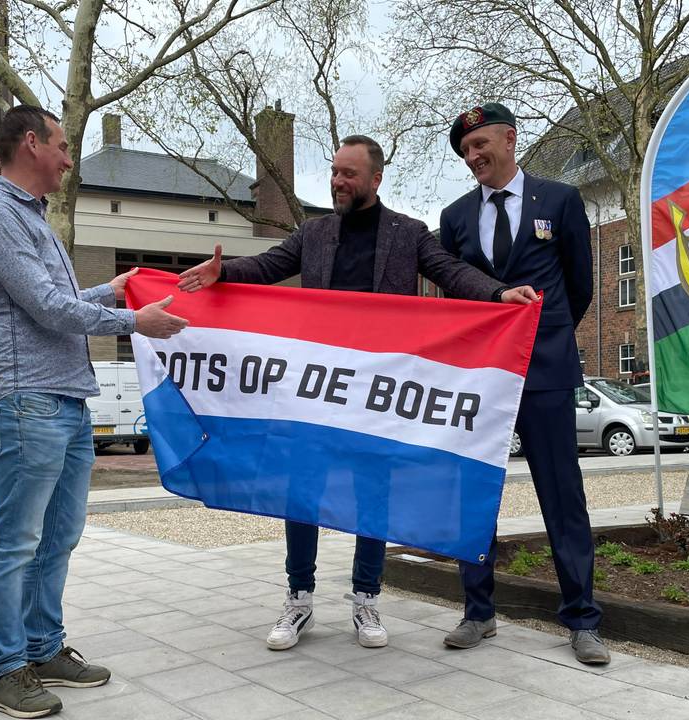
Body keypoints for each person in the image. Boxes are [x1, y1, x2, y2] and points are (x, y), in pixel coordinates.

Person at [178, 134, 538, 652]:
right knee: (301, 493)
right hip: (315, 391)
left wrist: (498, 293)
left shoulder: (408, 233)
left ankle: (366, 597)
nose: (337, 181)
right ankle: (298, 597)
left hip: (377, 394)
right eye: (334, 171)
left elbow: (451, 272)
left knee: (374, 494)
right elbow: (269, 267)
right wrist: (223, 273)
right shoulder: (314, 233)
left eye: (348, 174)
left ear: (375, 178)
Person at [0, 104, 187, 718]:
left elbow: (58, 301)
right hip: (27, 398)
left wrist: (114, 292)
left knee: (59, 534)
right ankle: (5, 669)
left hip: (64, 395)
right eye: (61, 146)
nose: (67, 158)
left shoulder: (31, 219)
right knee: (17, 539)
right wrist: (132, 319)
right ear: (30, 143)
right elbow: (46, 308)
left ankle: (42, 646)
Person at [438, 102, 610, 664]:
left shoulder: (559, 200)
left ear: (510, 139)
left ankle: (582, 619)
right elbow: (456, 291)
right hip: (481, 375)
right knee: (473, 492)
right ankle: (477, 611)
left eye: (480, 144)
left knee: (562, 495)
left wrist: (548, 333)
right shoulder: (456, 216)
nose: (473, 156)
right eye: (465, 151)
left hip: (546, 370)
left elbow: (579, 286)